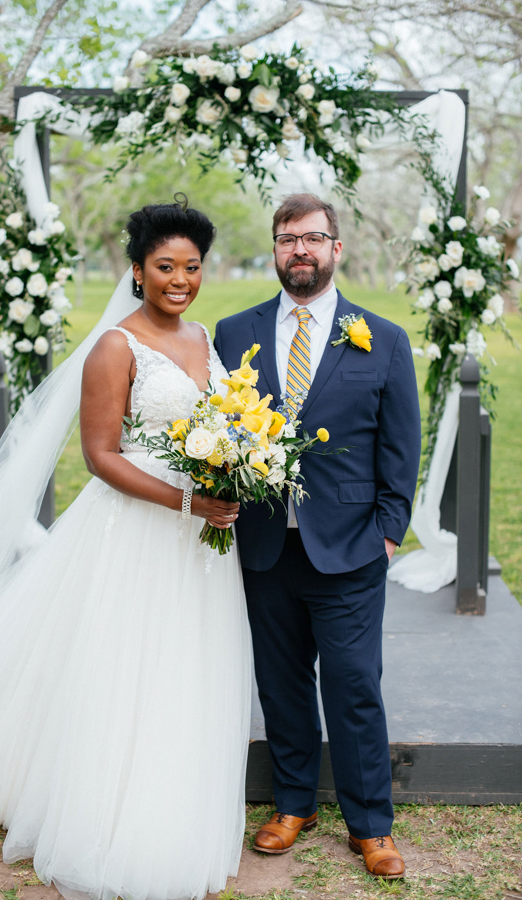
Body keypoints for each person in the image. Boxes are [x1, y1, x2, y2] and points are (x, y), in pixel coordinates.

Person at [0, 199, 251, 900]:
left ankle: (173, 797)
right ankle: (108, 814)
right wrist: (189, 501)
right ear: (136, 271)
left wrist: (239, 470)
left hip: (198, 541)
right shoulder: (115, 345)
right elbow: (101, 457)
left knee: (184, 664)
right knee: (126, 667)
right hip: (135, 531)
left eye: (191, 266)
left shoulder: (202, 335)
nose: (180, 279)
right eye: (165, 266)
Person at [214, 193, 421, 880]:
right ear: (273, 250)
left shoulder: (382, 339)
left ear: (336, 249)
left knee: (355, 683)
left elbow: (399, 448)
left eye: (312, 238)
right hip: (265, 545)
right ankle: (292, 804)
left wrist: (388, 531)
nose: (298, 250)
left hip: (352, 546)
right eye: (285, 239)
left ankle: (370, 825)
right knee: (280, 683)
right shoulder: (231, 332)